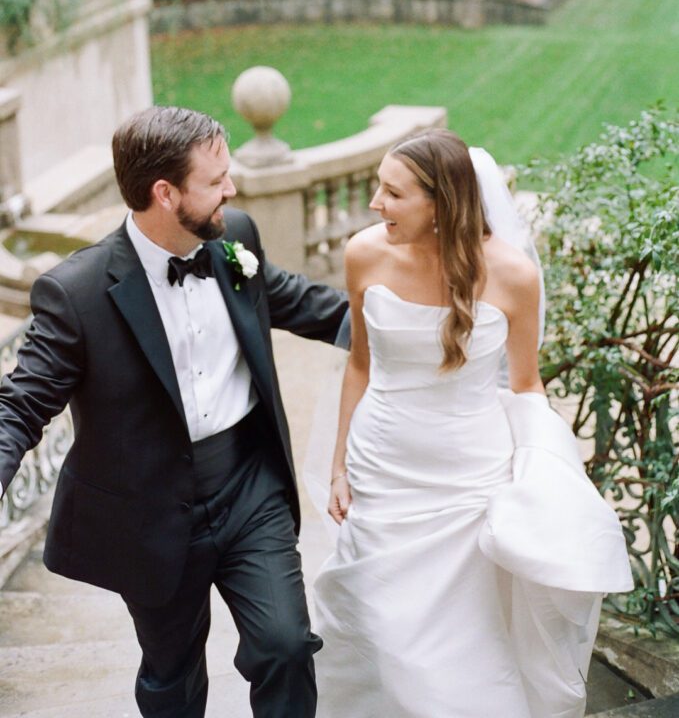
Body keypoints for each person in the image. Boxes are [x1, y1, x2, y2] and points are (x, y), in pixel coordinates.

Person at [0, 105, 349, 718]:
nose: (232, 189)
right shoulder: (75, 294)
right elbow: (23, 402)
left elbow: (292, 299)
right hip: (150, 508)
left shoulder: (233, 236)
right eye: (215, 181)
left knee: (287, 647)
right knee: (172, 678)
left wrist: (405, 327)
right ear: (164, 193)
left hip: (249, 486)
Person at [313, 128, 633, 718]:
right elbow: (358, 365)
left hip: (471, 477)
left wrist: (542, 467)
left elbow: (526, 382)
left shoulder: (514, 276)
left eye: (393, 193)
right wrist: (338, 465)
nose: (375, 205)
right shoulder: (365, 254)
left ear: (441, 205)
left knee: (465, 637)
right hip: (383, 470)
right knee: (381, 624)